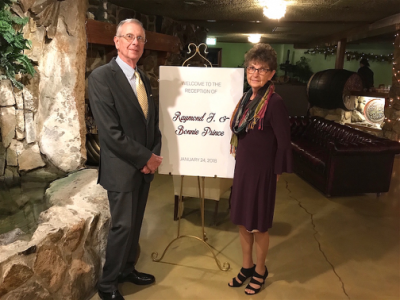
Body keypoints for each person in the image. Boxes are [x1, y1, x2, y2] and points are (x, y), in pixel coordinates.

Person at [88, 18, 162, 300]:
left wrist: (152, 155)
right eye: (129, 37)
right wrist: (146, 158)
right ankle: (107, 285)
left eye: (140, 38)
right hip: (121, 169)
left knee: (137, 221)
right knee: (123, 227)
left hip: (144, 167)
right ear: (116, 42)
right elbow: (110, 134)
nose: (135, 42)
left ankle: (127, 269)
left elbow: (151, 123)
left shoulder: (143, 78)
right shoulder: (100, 78)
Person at [228, 43, 292, 295]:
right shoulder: (246, 98)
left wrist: (275, 173)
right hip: (243, 169)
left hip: (262, 172)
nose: (255, 73)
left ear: (271, 74)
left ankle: (260, 270)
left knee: (259, 226)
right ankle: (246, 267)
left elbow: (284, 142)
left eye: (262, 69)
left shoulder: (274, 102)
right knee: (243, 222)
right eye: (252, 68)